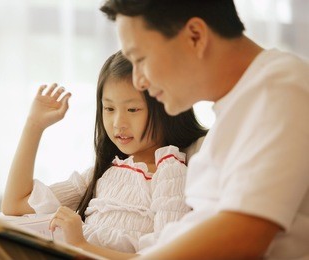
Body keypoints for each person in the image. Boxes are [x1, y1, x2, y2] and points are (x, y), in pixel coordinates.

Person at [0, 51, 207, 259]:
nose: (118, 122)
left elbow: (165, 255)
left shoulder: (170, 171)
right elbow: (16, 204)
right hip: (61, 250)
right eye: (108, 109)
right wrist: (34, 127)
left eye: (132, 109)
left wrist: (81, 244)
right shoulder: (102, 173)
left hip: (77, 253)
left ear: (166, 108)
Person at [98, 0, 309, 259]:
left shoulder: (281, 89)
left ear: (195, 36)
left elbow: (242, 235)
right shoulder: (235, 109)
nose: (139, 80)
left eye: (140, 59)